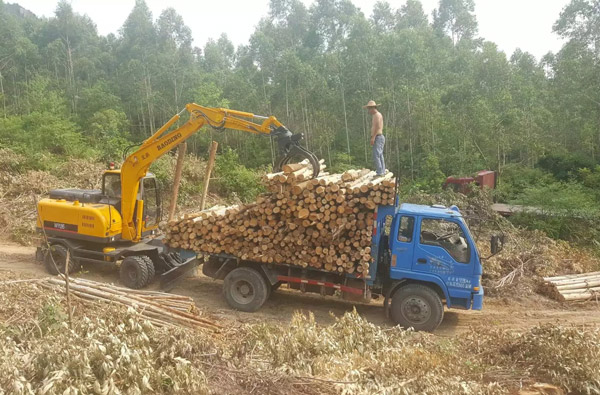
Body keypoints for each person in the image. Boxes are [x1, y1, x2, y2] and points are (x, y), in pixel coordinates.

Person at [363, 100, 386, 175]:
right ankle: (382, 170)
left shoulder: (377, 115)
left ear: (372, 108)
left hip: (378, 137)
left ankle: (380, 172)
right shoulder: (376, 115)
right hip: (378, 137)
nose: (368, 111)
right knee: (379, 154)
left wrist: (373, 137)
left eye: (369, 109)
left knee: (376, 155)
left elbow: (378, 127)